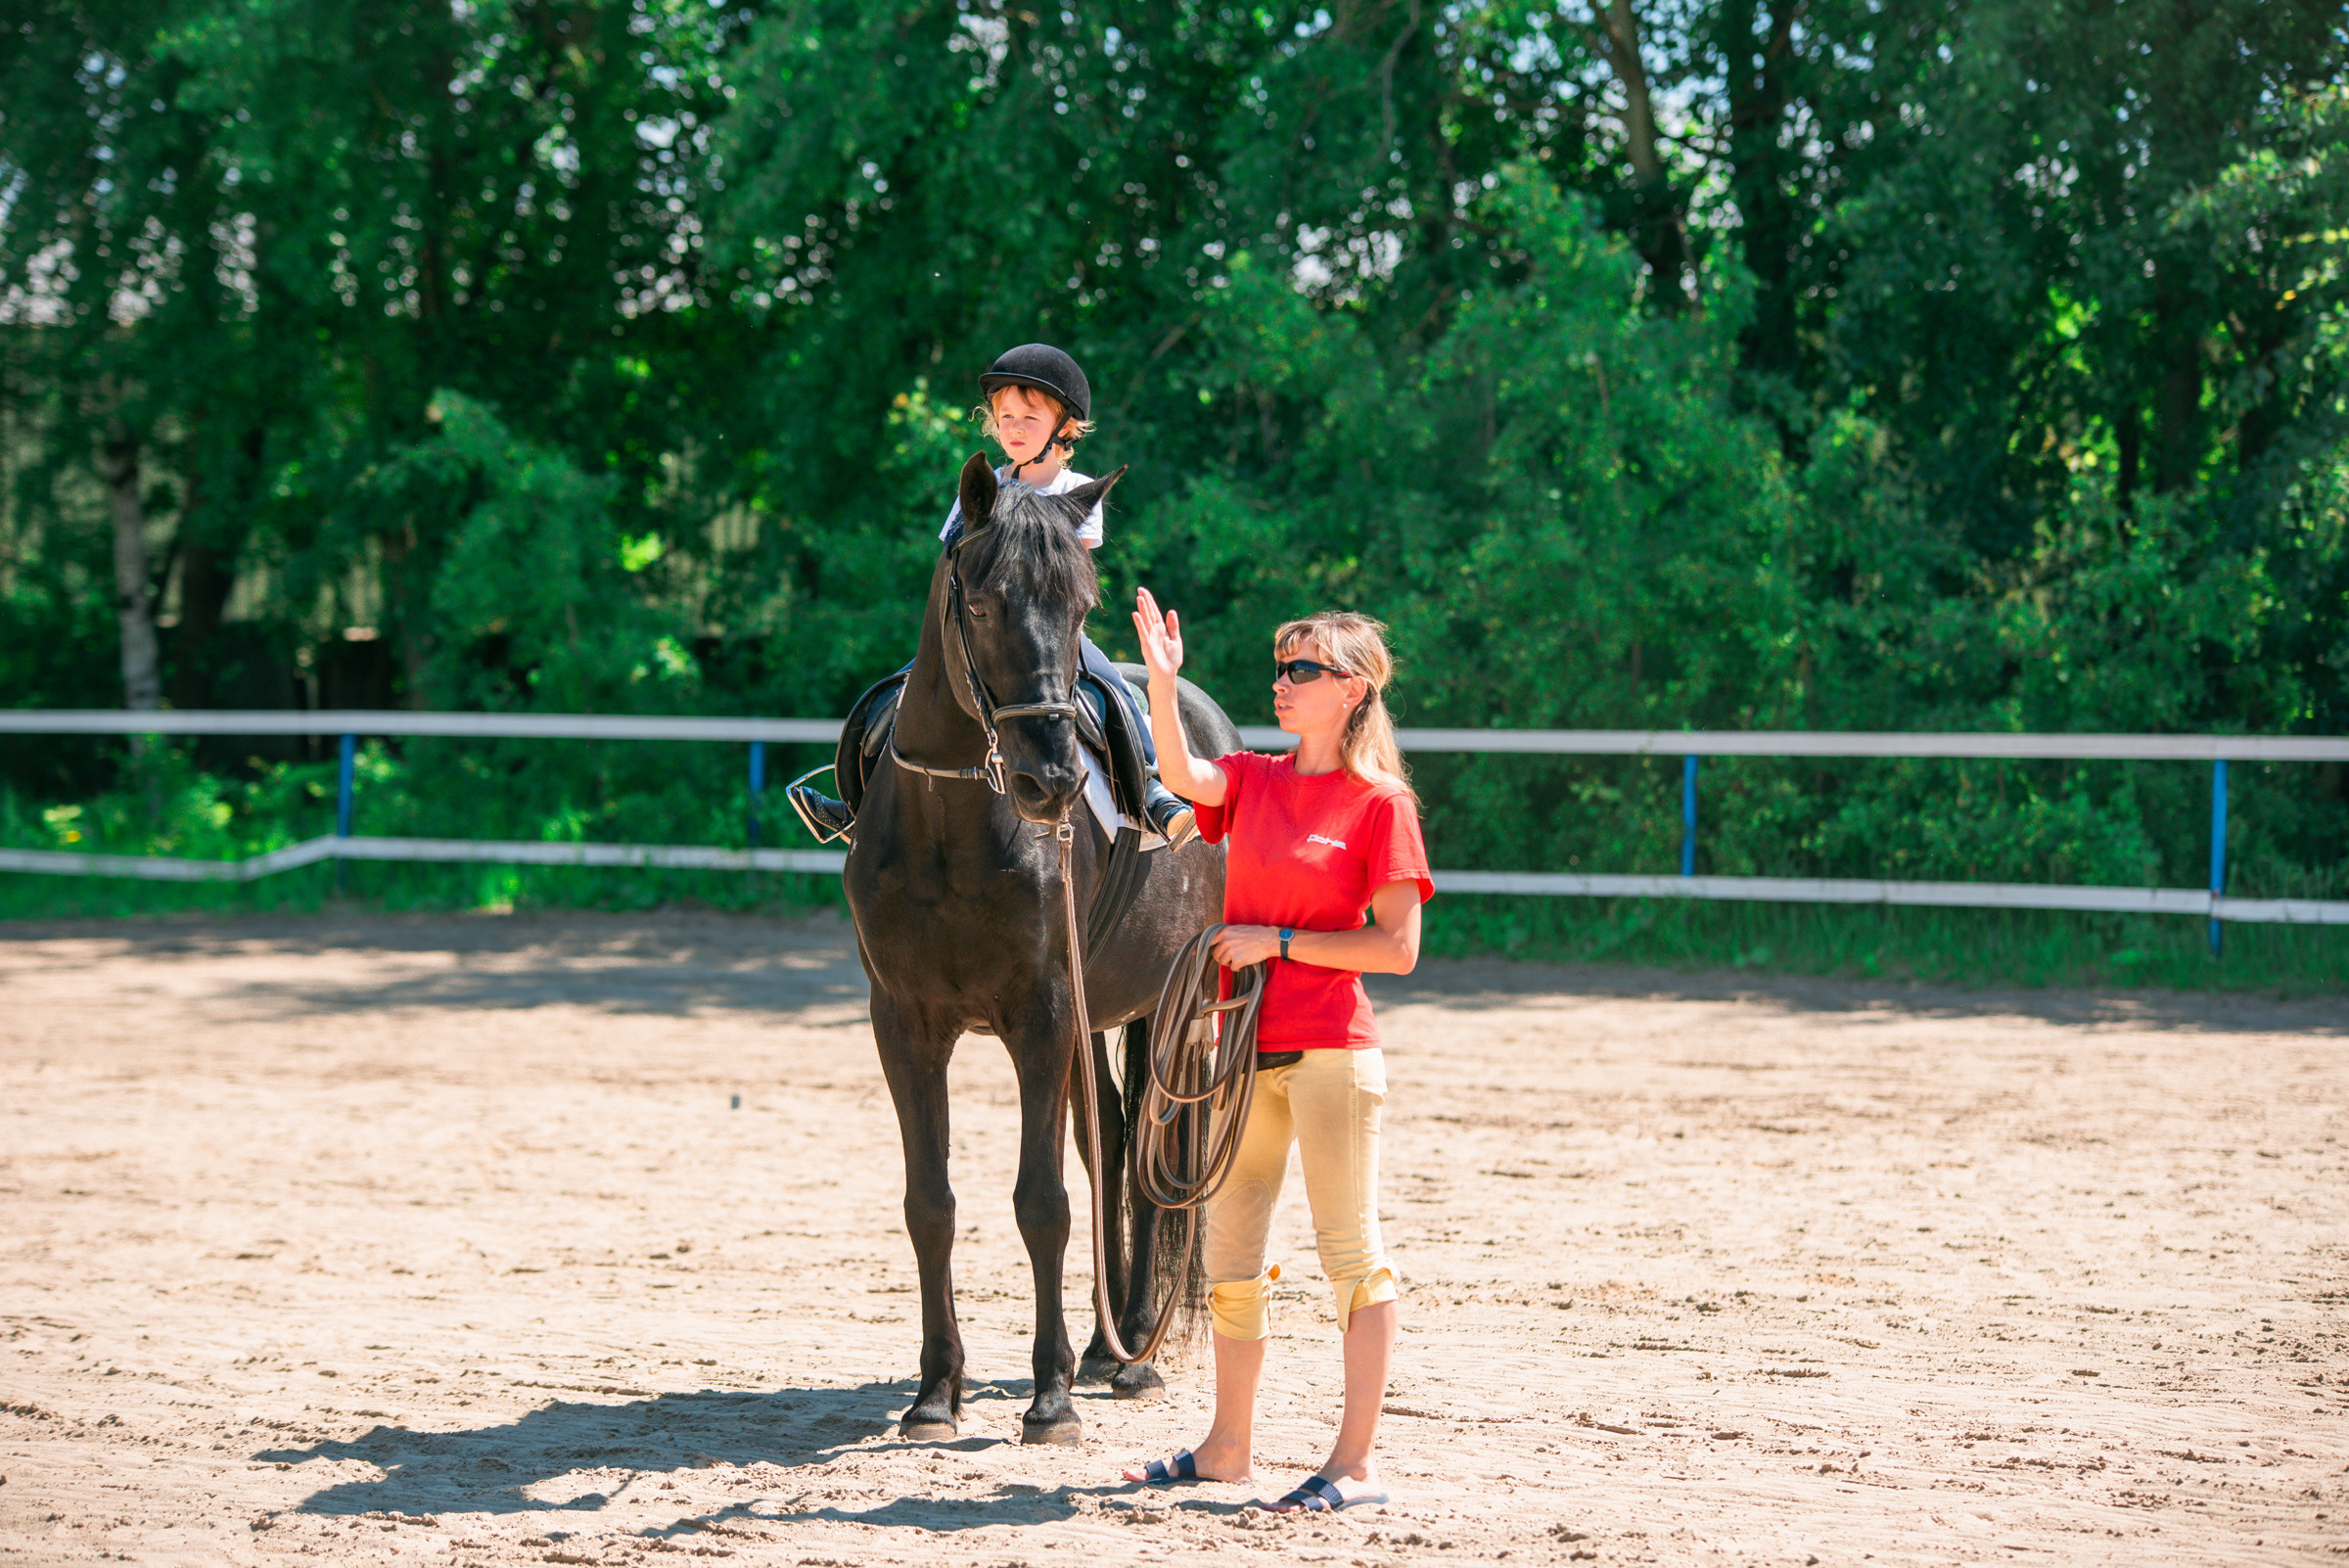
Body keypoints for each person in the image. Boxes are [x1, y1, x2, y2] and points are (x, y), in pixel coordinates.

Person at [1120, 594, 1432, 1513]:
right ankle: (1227, 1447)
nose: (1282, 682)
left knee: (1351, 1257)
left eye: (1303, 670)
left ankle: (1357, 1463)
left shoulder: (1381, 806)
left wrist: (1277, 944)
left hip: (1333, 1050)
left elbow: (1397, 950)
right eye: (1280, 666)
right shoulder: (1253, 779)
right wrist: (1165, 685)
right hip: (1243, 1050)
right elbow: (1178, 773)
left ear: (1353, 689)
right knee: (1230, 1252)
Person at [784, 345, 1196, 846]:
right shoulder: (985, 488)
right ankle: (857, 808)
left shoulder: (1077, 489)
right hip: (982, 631)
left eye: (1029, 416)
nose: (1014, 427)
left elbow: (1069, 581)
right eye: (1005, 417)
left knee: (1115, 696)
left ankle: (1154, 796)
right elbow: (950, 565)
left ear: (1064, 426)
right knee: (887, 701)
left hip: (1049, 636)